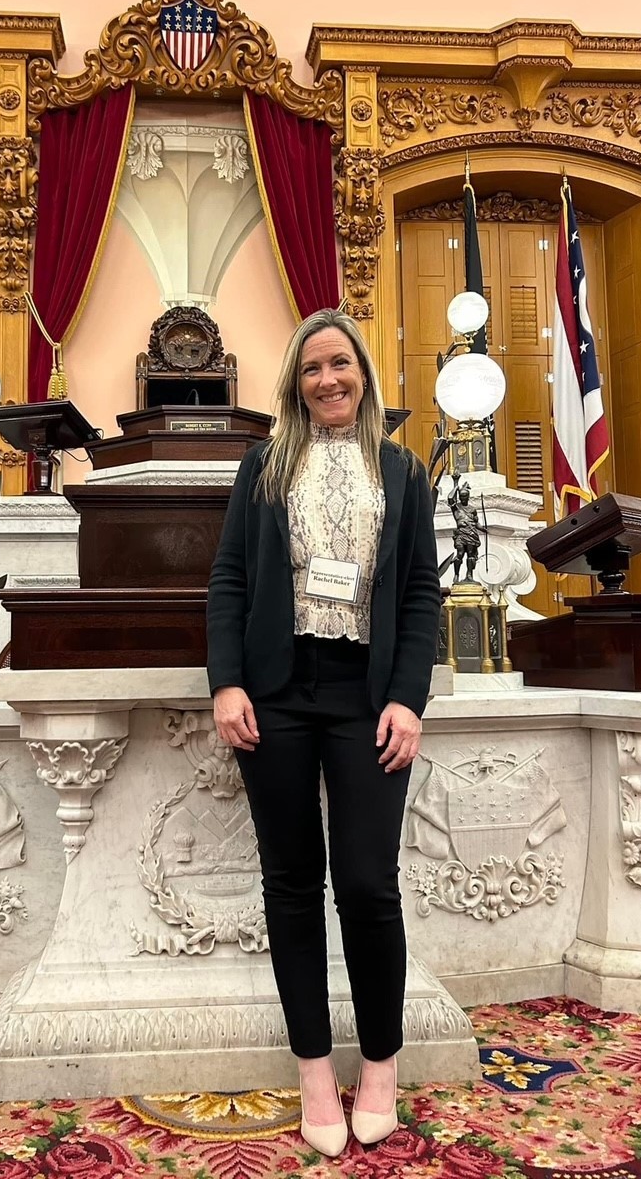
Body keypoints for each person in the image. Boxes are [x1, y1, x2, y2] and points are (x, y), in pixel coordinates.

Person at [207, 308, 441, 1157]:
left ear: (363, 373)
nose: (328, 381)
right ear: (294, 384)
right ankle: (313, 1067)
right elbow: (230, 578)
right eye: (312, 370)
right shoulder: (264, 466)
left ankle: (379, 1064)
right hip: (276, 692)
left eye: (340, 365)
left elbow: (420, 592)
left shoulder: (404, 472)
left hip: (366, 696)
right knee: (292, 882)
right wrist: (228, 681)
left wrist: (408, 697)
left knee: (370, 884)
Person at [447, 472, 481, 583]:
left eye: (464, 497)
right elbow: (451, 498)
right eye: (461, 497)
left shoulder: (472, 509)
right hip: (461, 534)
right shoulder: (456, 507)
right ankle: (456, 575)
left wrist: (483, 529)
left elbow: (476, 523)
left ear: (468, 497)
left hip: (471, 534)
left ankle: (469, 574)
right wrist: (456, 483)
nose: (462, 499)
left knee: (470, 554)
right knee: (460, 554)